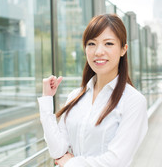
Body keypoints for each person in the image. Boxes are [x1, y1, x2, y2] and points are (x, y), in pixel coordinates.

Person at [38, 14, 148, 167]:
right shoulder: (75, 96)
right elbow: (57, 150)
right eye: (91, 44)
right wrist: (46, 100)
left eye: (108, 44)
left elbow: (116, 161)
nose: (98, 52)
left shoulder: (133, 101)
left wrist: (71, 163)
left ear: (123, 49)